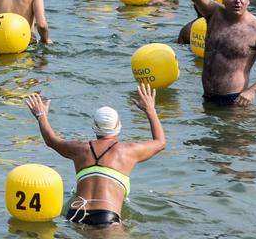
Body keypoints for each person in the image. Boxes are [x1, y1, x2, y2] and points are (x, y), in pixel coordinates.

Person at [24, 82, 165, 227]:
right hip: (105, 215)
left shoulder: (80, 150)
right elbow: (160, 142)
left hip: (75, 213)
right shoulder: (127, 151)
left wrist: (41, 115)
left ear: (95, 128)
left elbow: (51, 140)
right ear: (118, 127)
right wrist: (150, 110)